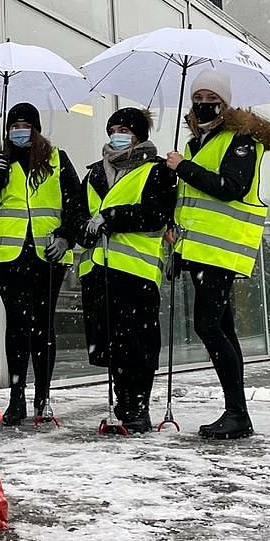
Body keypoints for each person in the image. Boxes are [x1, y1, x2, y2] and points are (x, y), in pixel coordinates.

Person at [166, 69, 270, 440]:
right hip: (197, 250)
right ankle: (237, 413)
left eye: (209, 98)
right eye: (196, 99)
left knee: (208, 326)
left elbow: (231, 187)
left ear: (225, 103)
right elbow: (191, 200)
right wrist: (173, 225)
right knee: (223, 328)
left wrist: (182, 167)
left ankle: (237, 413)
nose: (202, 105)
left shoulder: (241, 140)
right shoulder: (196, 144)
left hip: (222, 249)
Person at [0, 102, 87, 426]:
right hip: (9, 255)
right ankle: (16, 396)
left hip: (47, 253)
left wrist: (66, 235)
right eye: (14, 125)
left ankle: (43, 397)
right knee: (18, 324)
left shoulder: (56, 159)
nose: (19, 130)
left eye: (25, 124)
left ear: (35, 128)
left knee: (43, 325)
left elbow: (76, 204)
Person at [78, 108, 176, 434]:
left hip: (136, 271)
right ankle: (123, 405)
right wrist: (84, 229)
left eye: (124, 129)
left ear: (138, 135)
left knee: (138, 343)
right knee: (111, 345)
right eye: (113, 129)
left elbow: (155, 213)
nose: (117, 135)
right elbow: (78, 214)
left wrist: (112, 217)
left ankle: (138, 407)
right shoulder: (94, 174)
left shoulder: (157, 171)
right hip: (98, 270)